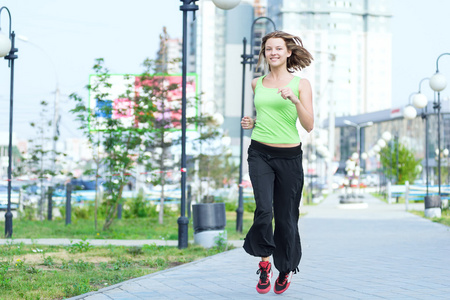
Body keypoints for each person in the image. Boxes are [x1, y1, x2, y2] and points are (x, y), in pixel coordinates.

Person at [240, 30, 314, 295]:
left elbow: (309, 125)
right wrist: (253, 122)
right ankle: (264, 265)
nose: (273, 53)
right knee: (264, 210)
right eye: (268, 49)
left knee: (286, 218)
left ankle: (284, 269)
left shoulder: (300, 84)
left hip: (290, 158)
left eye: (278, 49)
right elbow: (266, 117)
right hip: (259, 152)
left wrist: (294, 100)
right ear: (264, 53)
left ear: (288, 52)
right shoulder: (256, 83)